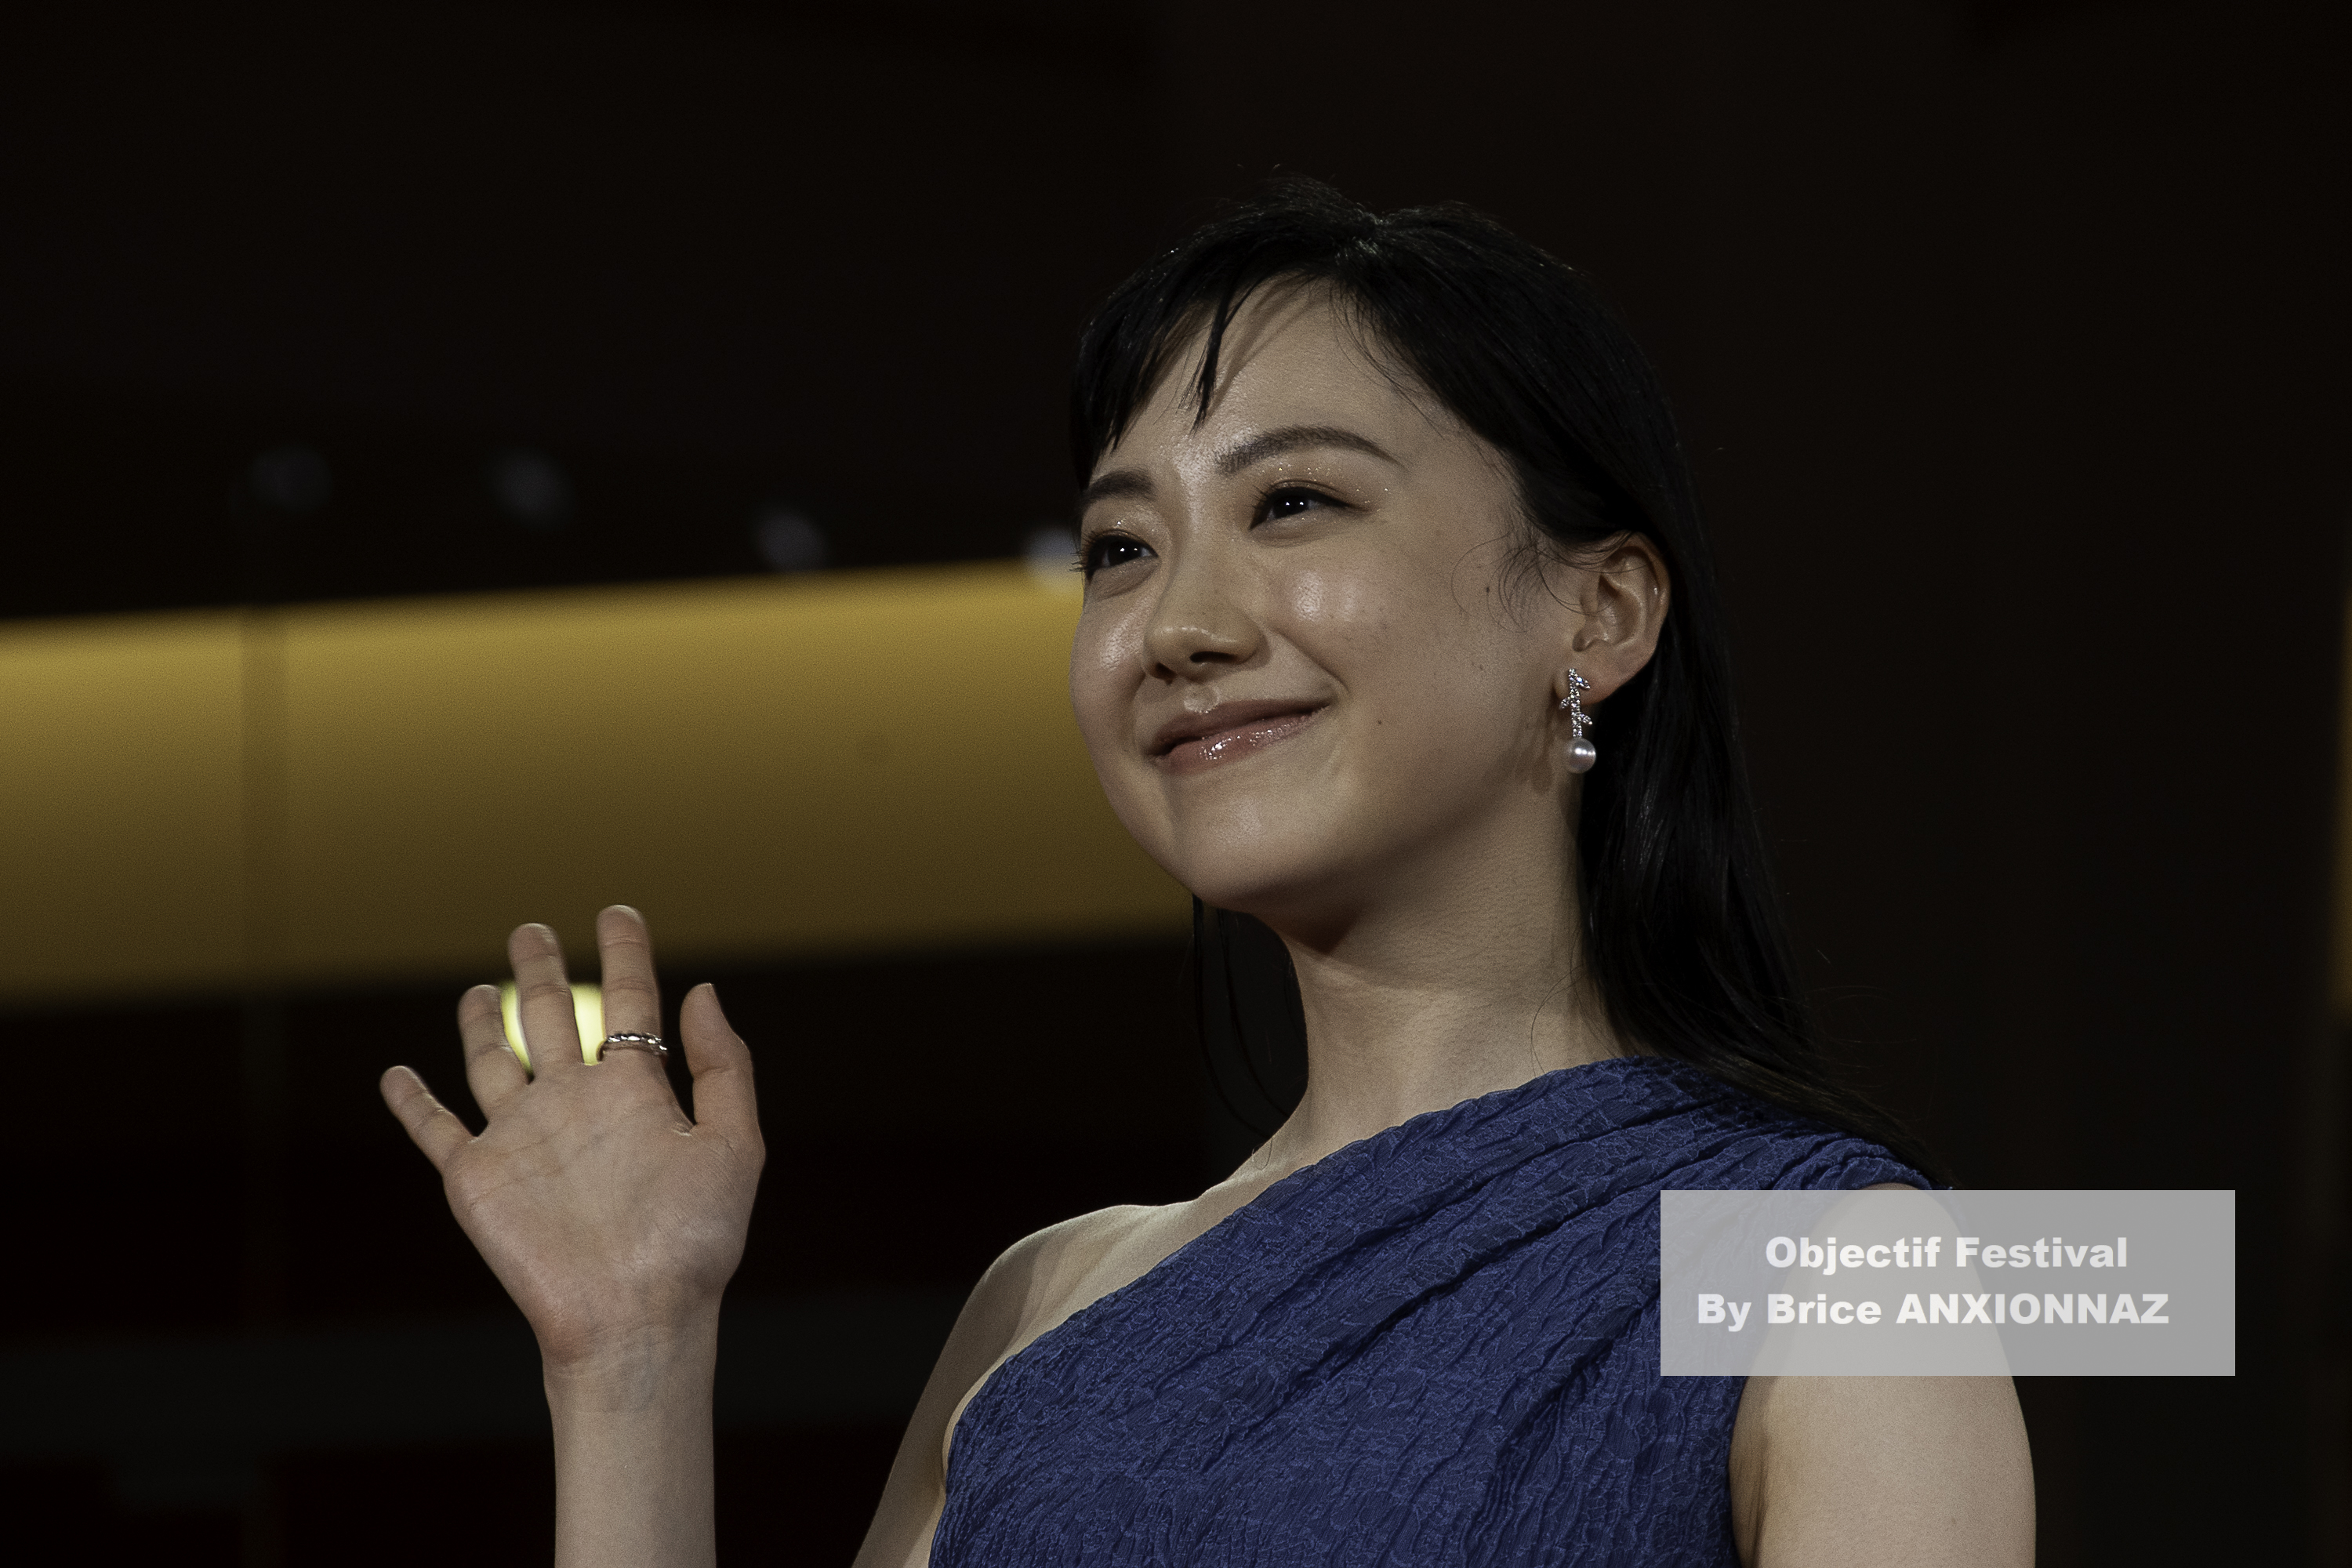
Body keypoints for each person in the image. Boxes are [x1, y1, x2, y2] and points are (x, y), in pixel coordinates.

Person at [381, 181, 2034, 1566]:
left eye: (1294, 502)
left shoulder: (1842, 1268)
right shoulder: (1047, 1301)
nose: (1178, 624)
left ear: (1597, 612)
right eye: (1123, 546)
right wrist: (631, 1353)